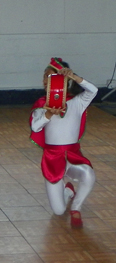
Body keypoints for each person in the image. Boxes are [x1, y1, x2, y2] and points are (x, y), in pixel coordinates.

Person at [30, 58, 97, 228]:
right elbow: (35, 127)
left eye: (51, 77)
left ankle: (76, 208)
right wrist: (49, 114)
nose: (46, 81)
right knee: (58, 211)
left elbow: (93, 90)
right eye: (45, 77)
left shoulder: (77, 103)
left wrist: (75, 76)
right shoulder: (41, 106)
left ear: (64, 81)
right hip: (53, 160)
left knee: (89, 174)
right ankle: (67, 189)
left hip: (73, 157)